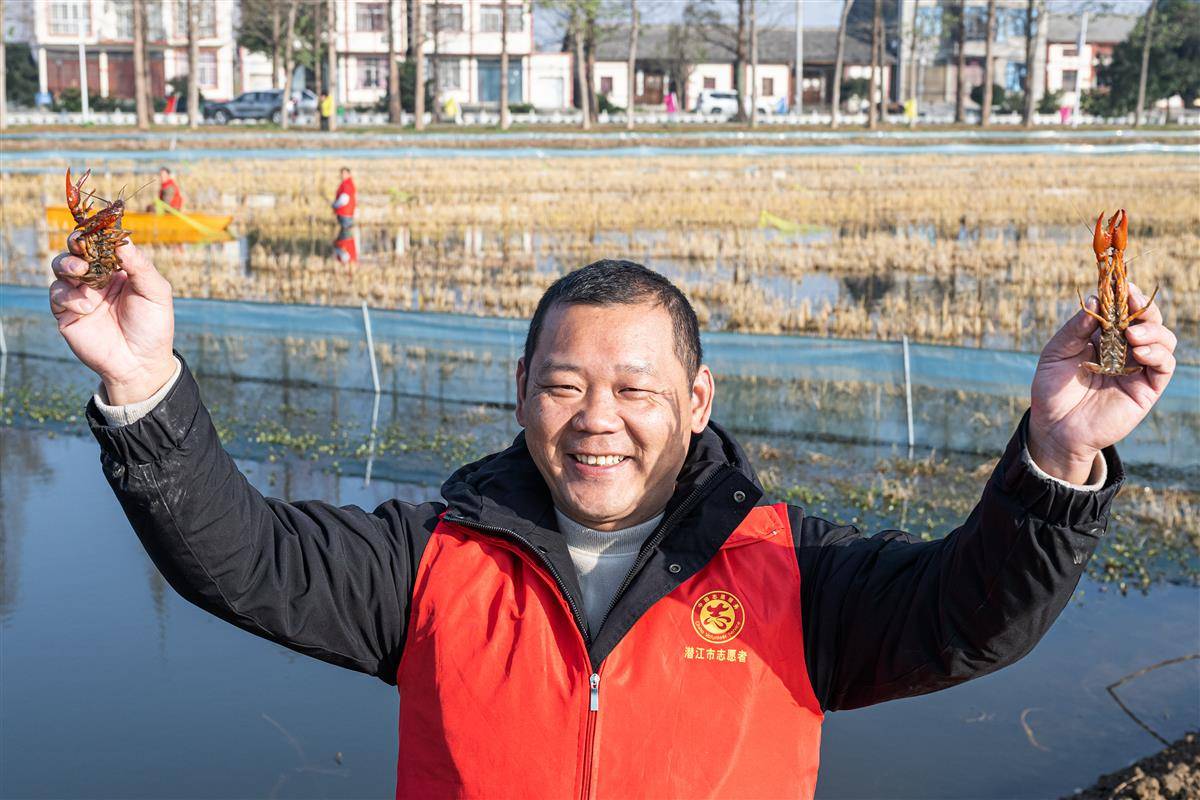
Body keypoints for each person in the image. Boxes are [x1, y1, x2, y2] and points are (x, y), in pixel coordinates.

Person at [46, 248, 1176, 797]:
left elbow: (970, 615)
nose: (598, 419)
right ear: (521, 393)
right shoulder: (431, 559)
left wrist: (1058, 456)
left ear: (697, 400)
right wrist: (142, 385)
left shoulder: (796, 573)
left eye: (636, 388)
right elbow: (244, 559)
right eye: (564, 385)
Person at [331, 166, 355, 239]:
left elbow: (344, 199)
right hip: (346, 213)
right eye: (342, 173)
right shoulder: (347, 183)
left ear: (349, 174)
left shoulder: (347, 184)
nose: (342, 175)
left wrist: (335, 205)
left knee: (345, 235)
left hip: (345, 213)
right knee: (345, 234)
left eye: (344, 173)